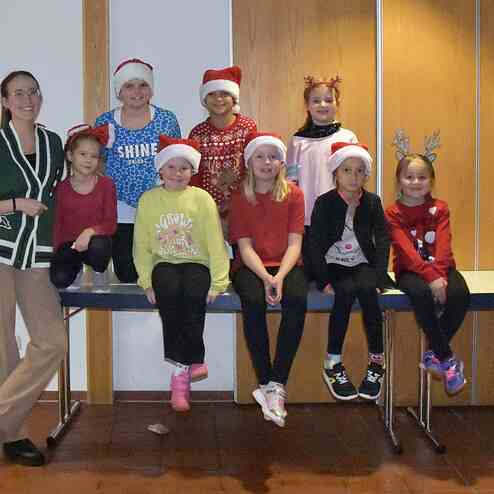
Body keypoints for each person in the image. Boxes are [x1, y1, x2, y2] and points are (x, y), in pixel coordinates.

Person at [133, 135, 229, 412]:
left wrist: (219, 282)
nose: (178, 173)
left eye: (184, 168)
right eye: (172, 167)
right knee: (169, 291)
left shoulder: (202, 198)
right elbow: (141, 244)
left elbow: (215, 240)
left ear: (192, 171)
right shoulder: (149, 200)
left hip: (196, 263)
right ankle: (194, 360)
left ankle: (180, 373)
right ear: (160, 170)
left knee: (194, 292)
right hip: (164, 263)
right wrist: (146, 282)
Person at [0, 70, 67, 466]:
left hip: (37, 253)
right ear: (5, 102)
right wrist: (14, 205)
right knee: (2, 344)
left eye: (33, 92)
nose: (27, 99)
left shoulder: (53, 142)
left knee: (52, 341)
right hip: (0, 248)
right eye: (18, 93)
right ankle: (12, 435)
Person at [229, 132, 307, 427]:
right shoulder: (240, 196)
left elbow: (295, 243)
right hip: (250, 266)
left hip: (286, 264)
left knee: (297, 298)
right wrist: (265, 277)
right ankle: (264, 382)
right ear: (249, 162)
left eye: (273, 157)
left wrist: (280, 277)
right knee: (253, 300)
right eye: (260, 157)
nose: (266, 162)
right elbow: (244, 247)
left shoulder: (294, 194)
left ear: (282, 163)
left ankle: (277, 384)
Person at [308, 142, 391, 401]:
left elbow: (383, 239)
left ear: (366, 175)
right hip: (334, 264)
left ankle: (377, 361)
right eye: (347, 170)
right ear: (336, 173)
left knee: (367, 291)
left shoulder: (372, 202)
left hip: (362, 263)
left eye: (359, 171)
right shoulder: (324, 202)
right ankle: (333, 361)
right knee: (344, 292)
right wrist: (323, 280)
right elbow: (314, 243)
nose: (353, 176)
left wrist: (379, 276)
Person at [385, 145, 469, 395]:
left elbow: (443, 245)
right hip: (409, 272)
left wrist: (439, 274)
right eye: (409, 177)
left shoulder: (440, 208)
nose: (415, 182)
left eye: (422, 177)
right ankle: (447, 358)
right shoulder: (392, 213)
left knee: (460, 295)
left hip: (442, 268)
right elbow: (406, 252)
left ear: (431, 180)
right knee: (421, 295)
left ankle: (433, 353)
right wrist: (431, 278)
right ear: (399, 181)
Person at [95, 58, 181, 282]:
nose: (137, 91)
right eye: (129, 86)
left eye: (143, 85)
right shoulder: (105, 122)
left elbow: (177, 161)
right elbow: (97, 162)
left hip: (159, 206)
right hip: (121, 209)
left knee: (162, 270)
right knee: (128, 274)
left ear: (151, 89)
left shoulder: (166, 120)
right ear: (119, 91)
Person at [286, 75, 358, 278]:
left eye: (328, 100)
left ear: (337, 103)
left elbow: (355, 176)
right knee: (312, 273)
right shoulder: (298, 141)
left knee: (338, 272)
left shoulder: (347, 137)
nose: (322, 105)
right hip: (306, 216)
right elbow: (291, 180)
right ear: (307, 106)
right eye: (316, 101)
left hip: (339, 213)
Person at [50, 124, 117, 288]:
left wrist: (89, 232)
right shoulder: (61, 188)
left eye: (94, 156)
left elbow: (110, 224)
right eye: (83, 154)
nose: (88, 160)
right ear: (70, 155)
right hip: (71, 245)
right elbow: (57, 225)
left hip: (95, 244)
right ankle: (76, 268)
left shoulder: (106, 185)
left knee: (99, 245)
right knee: (59, 279)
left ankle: (100, 271)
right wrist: (55, 255)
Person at [189, 66, 257, 223]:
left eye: (224, 94)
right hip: (207, 211)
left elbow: (252, 167)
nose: (218, 99)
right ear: (204, 100)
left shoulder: (247, 127)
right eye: (212, 94)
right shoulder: (197, 133)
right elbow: (194, 176)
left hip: (243, 209)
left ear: (234, 98)